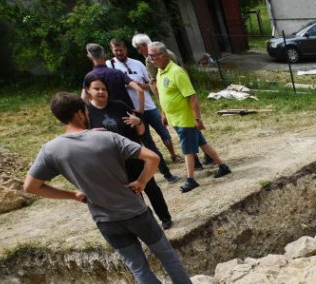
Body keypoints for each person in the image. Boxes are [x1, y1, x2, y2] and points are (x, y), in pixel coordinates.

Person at [23, 92, 198, 284]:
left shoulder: (51, 150)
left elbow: (31, 186)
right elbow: (152, 158)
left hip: (105, 220)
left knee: (137, 265)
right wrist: (142, 181)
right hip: (136, 211)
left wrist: (72, 195)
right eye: (86, 111)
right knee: (165, 253)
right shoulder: (107, 138)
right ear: (79, 113)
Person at [85, 76, 174, 230]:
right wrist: (90, 133)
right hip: (113, 163)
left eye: (104, 89)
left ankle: (165, 217)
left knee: (151, 187)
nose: (101, 92)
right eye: (96, 89)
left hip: (135, 155)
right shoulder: (87, 113)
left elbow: (140, 132)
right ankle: (149, 223)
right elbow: (82, 139)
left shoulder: (119, 106)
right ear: (88, 90)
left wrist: (138, 122)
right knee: (133, 196)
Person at [149, 41, 231, 193]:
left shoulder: (177, 72)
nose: (150, 59)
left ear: (163, 55)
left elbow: (192, 96)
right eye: (149, 56)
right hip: (175, 118)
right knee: (202, 144)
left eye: (152, 56)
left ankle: (190, 179)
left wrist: (197, 118)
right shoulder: (160, 72)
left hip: (185, 119)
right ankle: (223, 166)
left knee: (187, 150)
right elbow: (164, 96)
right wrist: (164, 113)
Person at [109, 38, 182, 174]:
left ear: (125, 49)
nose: (119, 52)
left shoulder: (137, 63)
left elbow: (151, 83)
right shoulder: (110, 66)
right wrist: (127, 85)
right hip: (132, 110)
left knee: (164, 132)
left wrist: (140, 86)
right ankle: (160, 165)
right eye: (116, 50)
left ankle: (173, 155)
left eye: (121, 50)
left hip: (149, 106)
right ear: (112, 51)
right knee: (146, 140)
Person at [82, 43, 144, 113]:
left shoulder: (89, 76)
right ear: (104, 56)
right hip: (126, 113)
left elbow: (84, 99)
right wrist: (140, 110)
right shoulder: (117, 73)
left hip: (105, 115)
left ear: (89, 57)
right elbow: (139, 90)